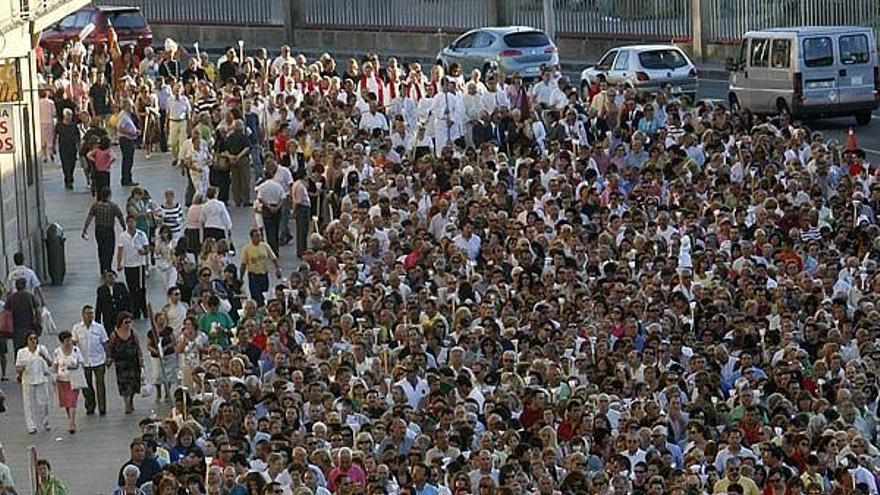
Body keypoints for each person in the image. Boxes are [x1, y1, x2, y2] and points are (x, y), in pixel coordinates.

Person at [71, 305, 109, 416]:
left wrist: (108, 357)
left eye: (91, 313)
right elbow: (74, 343)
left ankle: (102, 408)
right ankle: (90, 406)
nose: (90, 316)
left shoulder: (99, 327)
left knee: (100, 385)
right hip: (84, 361)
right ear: (82, 315)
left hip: (98, 360)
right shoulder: (77, 328)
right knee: (86, 385)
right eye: (87, 314)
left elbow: (105, 343)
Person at [82, 186, 126, 274]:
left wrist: (85, 229)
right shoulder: (113, 206)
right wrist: (124, 227)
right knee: (109, 249)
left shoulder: (95, 205)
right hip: (108, 229)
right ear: (109, 195)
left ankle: (102, 268)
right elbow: (120, 217)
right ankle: (108, 267)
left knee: (101, 249)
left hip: (99, 229)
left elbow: (89, 217)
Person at [15, 331, 52, 434]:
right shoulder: (22, 352)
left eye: (35, 338)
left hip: (41, 378)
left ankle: (46, 421)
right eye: (30, 339)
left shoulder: (42, 349)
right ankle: (31, 425)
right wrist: (21, 368)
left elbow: (50, 363)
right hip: (28, 380)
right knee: (28, 403)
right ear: (27, 341)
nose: (33, 341)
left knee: (44, 402)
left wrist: (44, 356)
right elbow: (17, 367)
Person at [107, 312, 142, 414]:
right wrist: (109, 358)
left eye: (130, 322)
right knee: (124, 384)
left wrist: (141, 359)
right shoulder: (115, 334)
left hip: (133, 362)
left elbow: (138, 346)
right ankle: (126, 403)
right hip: (121, 363)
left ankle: (131, 400)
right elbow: (110, 348)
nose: (128, 325)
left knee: (133, 383)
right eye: (126, 322)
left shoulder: (133, 333)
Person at [116, 215, 150, 320]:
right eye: (129, 222)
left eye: (132, 222)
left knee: (141, 288)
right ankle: (135, 311)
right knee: (131, 289)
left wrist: (142, 252)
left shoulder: (141, 234)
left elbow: (147, 249)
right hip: (128, 265)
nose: (131, 224)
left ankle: (144, 309)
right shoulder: (122, 236)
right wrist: (119, 263)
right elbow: (120, 250)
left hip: (139, 265)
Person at [239, 228, 282, 307]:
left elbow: (273, 258)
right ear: (251, 237)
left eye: (259, 236)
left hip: (264, 274)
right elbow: (243, 264)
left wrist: (278, 269)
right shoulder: (247, 249)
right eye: (256, 236)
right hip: (253, 276)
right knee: (256, 296)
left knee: (264, 294)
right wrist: (241, 277)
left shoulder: (265, 246)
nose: (258, 238)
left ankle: (263, 307)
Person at [53, 331, 84, 434]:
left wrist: (74, 366)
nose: (69, 342)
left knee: (72, 402)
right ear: (62, 342)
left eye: (70, 340)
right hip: (62, 380)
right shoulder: (57, 352)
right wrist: (53, 377)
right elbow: (55, 365)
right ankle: (71, 419)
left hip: (74, 379)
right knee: (66, 402)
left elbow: (80, 363)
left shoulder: (76, 350)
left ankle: (71, 423)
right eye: (67, 341)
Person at [5, 278, 39, 353]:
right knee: (30, 348)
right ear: (25, 286)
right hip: (29, 326)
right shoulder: (30, 296)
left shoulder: (11, 297)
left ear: (16, 286)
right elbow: (37, 311)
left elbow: (6, 312)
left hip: (16, 327)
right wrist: (38, 322)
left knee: (17, 349)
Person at [116, 97, 140, 187]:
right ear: (125, 106)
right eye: (130, 105)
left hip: (130, 138)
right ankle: (126, 179)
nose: (131, 107)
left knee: (129, 160)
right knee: (127, 160)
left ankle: (128, 178)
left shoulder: (128, 114)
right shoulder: (123, 115)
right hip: (126, 139)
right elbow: (119, 128)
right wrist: (131, 133)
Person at [55, 107, 80, 189]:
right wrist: (52, 147)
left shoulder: (74, 125)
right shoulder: (59, 125)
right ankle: (69, 180)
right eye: (68, 115)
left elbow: (77, 136)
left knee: (72, 163)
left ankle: (69, 177)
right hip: (63, 147)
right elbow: (55, 136)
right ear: (64, 116)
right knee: (65, 164)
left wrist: (78, 145)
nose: (70, 117)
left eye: (71, 115)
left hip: (72, 147)